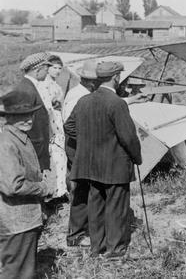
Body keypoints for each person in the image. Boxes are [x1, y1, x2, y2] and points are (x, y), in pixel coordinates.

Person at [64, 62, 142, 258]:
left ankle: (96, 248)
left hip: (90, 165)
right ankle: (115, 250)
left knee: (96, 206)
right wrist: (137, 157)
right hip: (115, 165)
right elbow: (128, 137)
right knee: (116, 207)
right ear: (116, 77)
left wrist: (88, 142)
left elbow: (69, 126)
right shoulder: (117, 103)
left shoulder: (84, 101)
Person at [0, 90, 54, 278]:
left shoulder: (19, 137)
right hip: (16, 222)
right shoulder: (6, 143)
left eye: (30, 113)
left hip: (24, 219)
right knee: (16, 273)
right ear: (8, 116)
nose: (28, 119)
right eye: (20, 115)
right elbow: (12, 186)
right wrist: (43, 188)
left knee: (24, 271)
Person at [62, 59, 99, 248]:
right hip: (78, 148)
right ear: (91, 81)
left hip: (81, 147)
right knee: (82, 189)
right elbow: (69, 126)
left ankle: (82, 231)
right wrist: (89, 141)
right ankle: (76, 234)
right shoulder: (79, 96)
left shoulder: (82, 93)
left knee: (84, 188)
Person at [12, 52, 52, 172]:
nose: (47, 72)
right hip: (31, 150)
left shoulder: (29, 86)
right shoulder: (27, 89)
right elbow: (21, 124)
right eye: (46, 69)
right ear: (37, 70)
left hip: (34, 148)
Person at [39, 55, 69, 198]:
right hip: (50, 122)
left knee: (60, 156)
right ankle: (56, 192)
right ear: (48, 68)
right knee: (55, 156)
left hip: (58, 120)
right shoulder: (44, 84)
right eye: (54, 67)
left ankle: (60, 189)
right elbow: (47, 108)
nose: (57, 71)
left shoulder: (57, 85)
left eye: (59, 68)